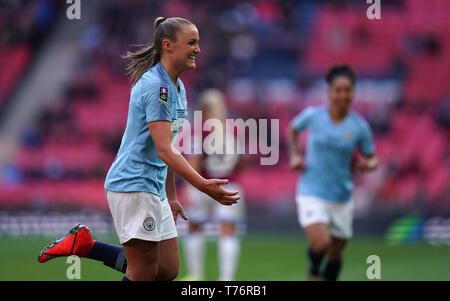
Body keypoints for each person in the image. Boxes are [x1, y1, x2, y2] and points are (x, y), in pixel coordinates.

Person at [37, 16, 240, 281]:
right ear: (168, 45)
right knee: (143, 272)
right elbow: (165, 150)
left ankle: (85, 245)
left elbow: (168, 148)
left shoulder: (177, 87)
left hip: (153, 189)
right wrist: (202, 185)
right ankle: (85, 245)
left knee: (167, 270)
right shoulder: (158, 88)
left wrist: (171, 195)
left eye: (198, 43)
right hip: (133, 185)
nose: (198, 49)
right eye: (191, 43)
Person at [286, 65, 378, 281]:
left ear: (353, 92)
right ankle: (313, 272)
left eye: (348, 90)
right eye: (338, 90)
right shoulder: (313, 116)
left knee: (336, 253)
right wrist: (295, 155)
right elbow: (292, 129)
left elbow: (372, 156)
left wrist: (369, 164)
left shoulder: (359, 126)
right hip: (311, 191)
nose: (343, 95)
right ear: (329, 92)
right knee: (322, 243)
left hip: (342, 196)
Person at [181, 88, 246, 281]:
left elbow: (194, 161)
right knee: (228, 230)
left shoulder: (199, 129)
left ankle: (195, 274)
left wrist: (190, 186)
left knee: (194, 227)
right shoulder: (235, 128)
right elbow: (242, 162)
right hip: (230, 183)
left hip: (203, 184)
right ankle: (226, 279)